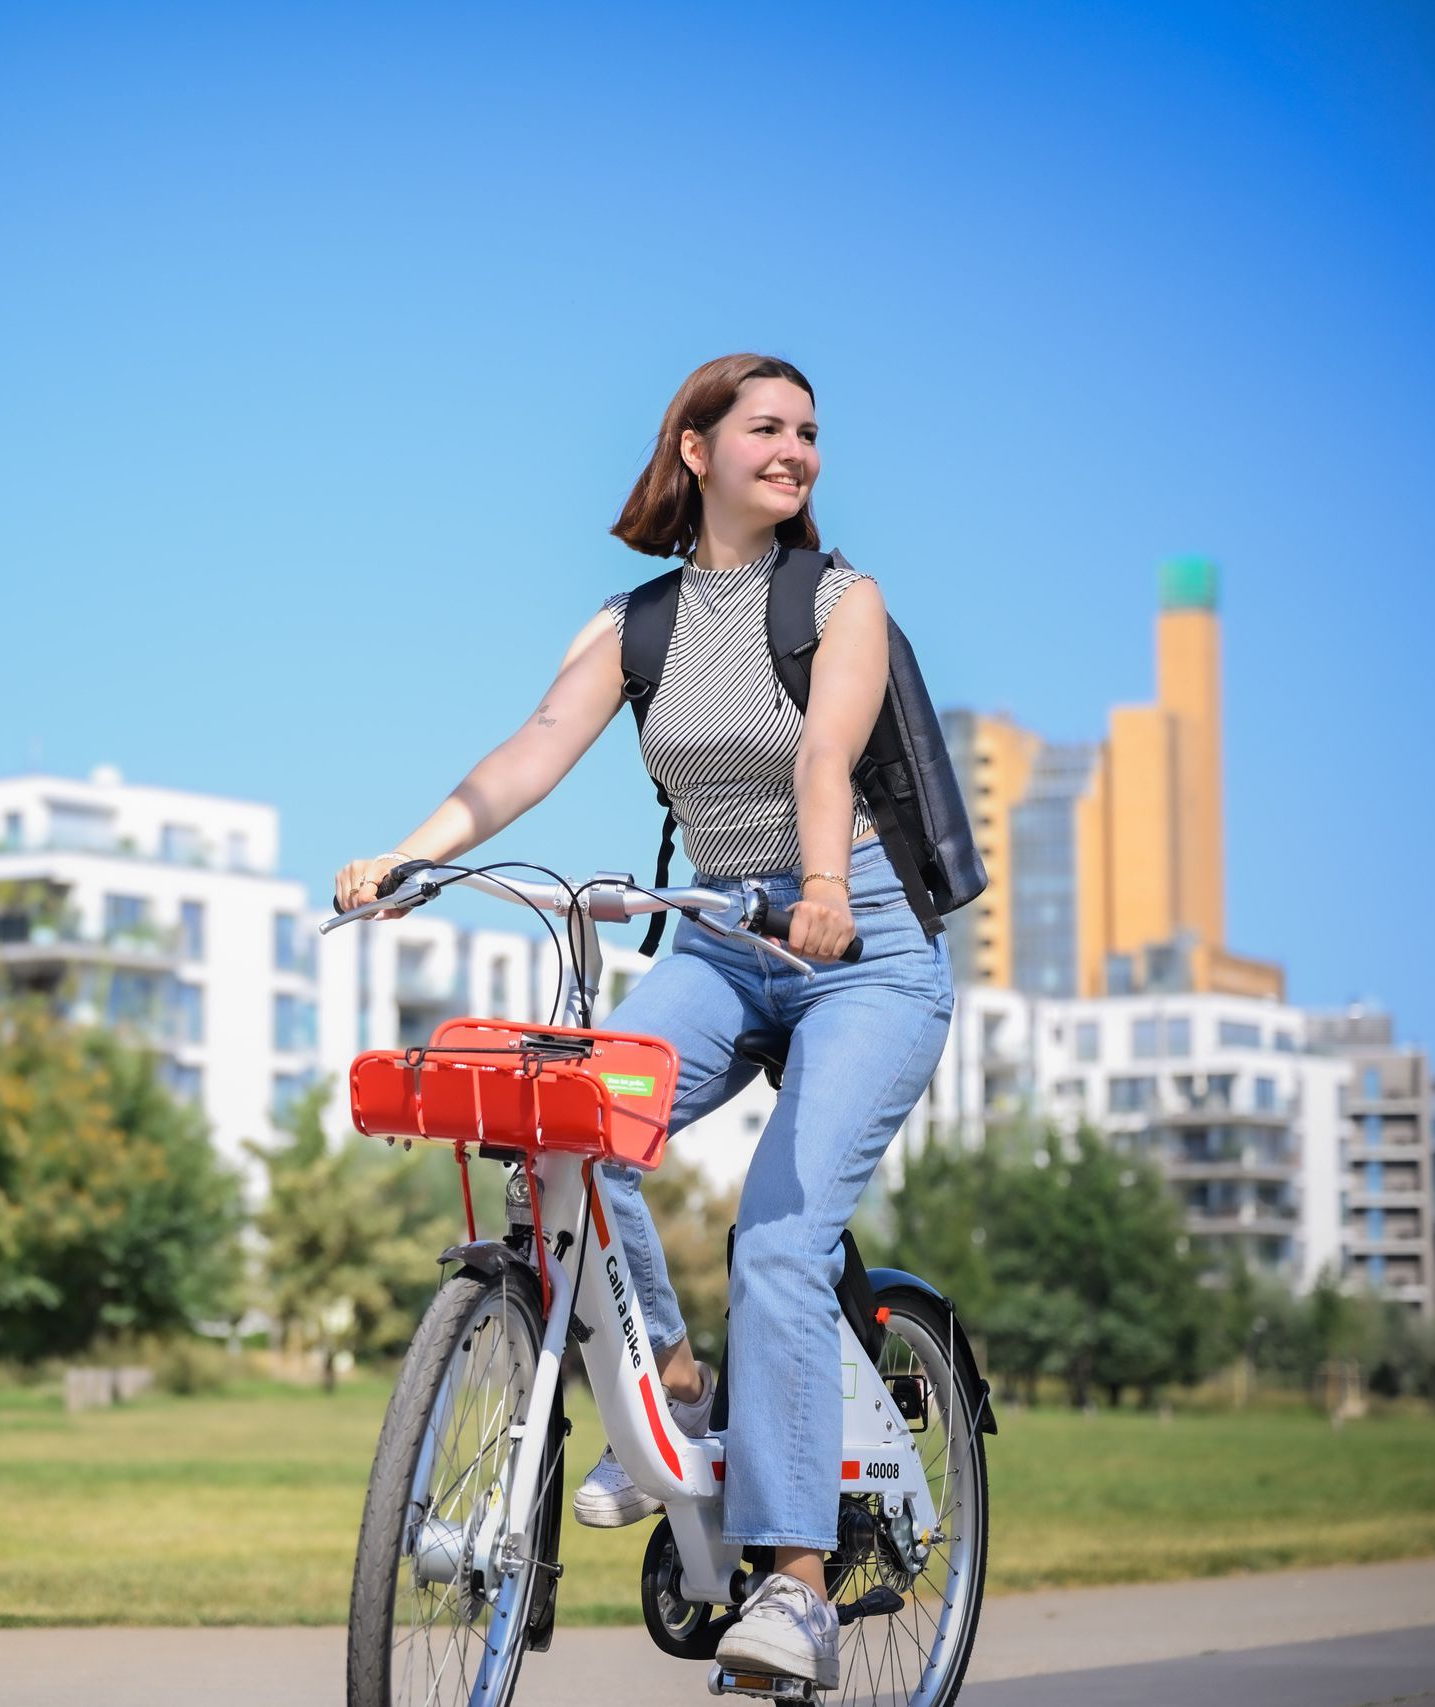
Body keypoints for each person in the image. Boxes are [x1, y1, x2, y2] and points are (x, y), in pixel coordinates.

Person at [333, 352, 954, 1691]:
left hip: (862, 948)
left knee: (784, 1240)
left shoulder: (839, 600)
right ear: (696, 450)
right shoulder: (637, 624)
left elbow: (823, 756)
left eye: (810, 433)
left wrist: (832, 889)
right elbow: (528, 751)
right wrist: (409, 854)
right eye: (768, 429)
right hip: (726, 940)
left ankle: (794, 1586)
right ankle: (667, 1381)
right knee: (563, 1122)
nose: (797, 451)